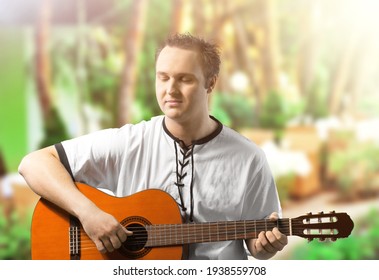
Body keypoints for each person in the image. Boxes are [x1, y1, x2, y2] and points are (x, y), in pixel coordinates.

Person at [18, 33, 288, 260]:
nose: (170, 89)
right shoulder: (129, 142)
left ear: (210, 83)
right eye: (163, 77)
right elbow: (34, 164)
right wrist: (88, 213)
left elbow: (257, 244)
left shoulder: (249, 158)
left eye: (184, 79)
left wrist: (264, 246)